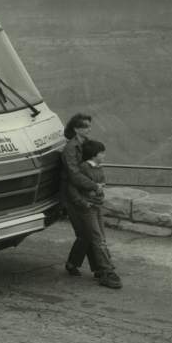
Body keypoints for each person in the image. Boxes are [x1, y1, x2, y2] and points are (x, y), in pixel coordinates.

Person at [60, 113, 120, 287]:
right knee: (90, 235)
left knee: (87, 235)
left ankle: (77, 265)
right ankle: (103, 270)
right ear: (76, 129)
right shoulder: (70, 149)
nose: (89, 129)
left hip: (85, 195)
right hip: (74, 197)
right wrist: (94, 186)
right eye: (86, 126)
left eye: (89, 126)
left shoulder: (85, 144)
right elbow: (74, 175)